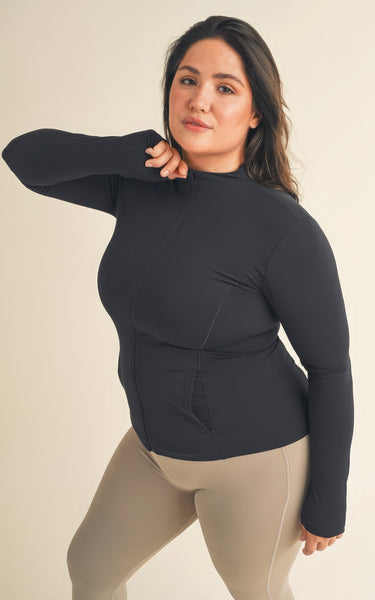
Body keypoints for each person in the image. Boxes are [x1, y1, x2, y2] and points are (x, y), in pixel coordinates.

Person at [1, 14, 354, 600]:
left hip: (257, 461)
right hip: (153, 446)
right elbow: (23, 159)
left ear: (256, 112)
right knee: (90, 569)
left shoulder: (284, 229)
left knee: (256, 591)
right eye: (187, 80)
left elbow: (331, 368)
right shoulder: (138, 184)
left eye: (225, 87)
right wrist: (124, 153)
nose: (200, 100)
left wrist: (329, 499)